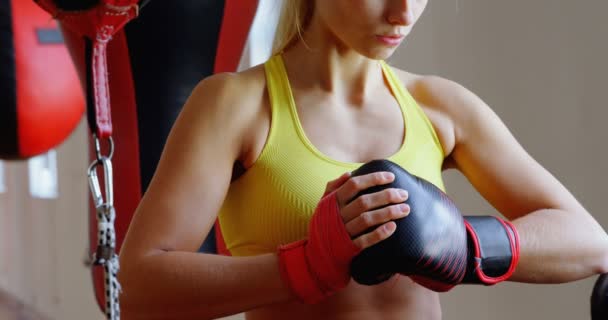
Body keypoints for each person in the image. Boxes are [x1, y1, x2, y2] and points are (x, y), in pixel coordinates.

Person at [117, 1, 608, 319]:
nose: (403, 12)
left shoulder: (440, 108)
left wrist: (468, 244)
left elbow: (591, 242)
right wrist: (307, 266)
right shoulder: (238, 106)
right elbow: (140, 286)